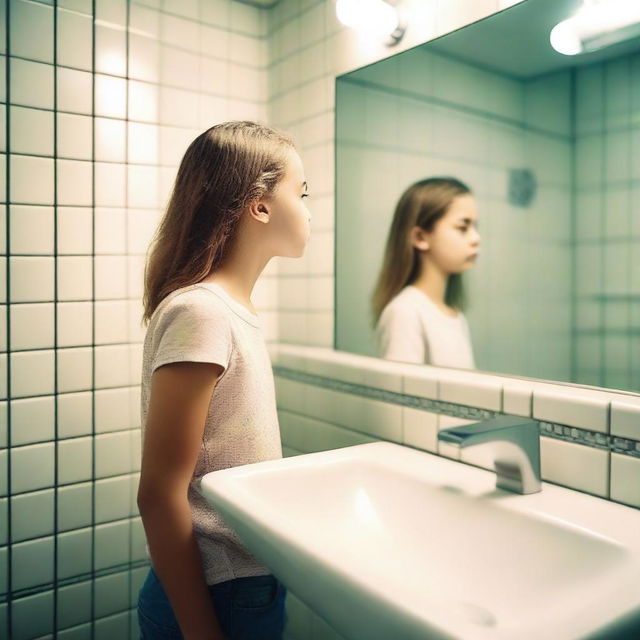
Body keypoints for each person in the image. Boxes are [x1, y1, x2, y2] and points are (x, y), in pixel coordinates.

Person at [136, 121, 311, 640]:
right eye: (300, 194)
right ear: (259, 205)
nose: (308, 210)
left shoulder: (227, 310)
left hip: (240, 584)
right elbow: (160, 494)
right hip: (219, 592)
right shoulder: (204, 311)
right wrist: (201, 630)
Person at [372, 177, 480, 369]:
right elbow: (400, 395)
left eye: (475, 227)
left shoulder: (456, 316)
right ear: (420, 237)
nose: (475, 239)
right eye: (463, 227)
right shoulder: (405, 312)